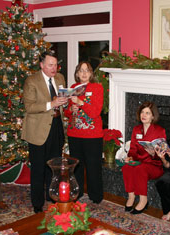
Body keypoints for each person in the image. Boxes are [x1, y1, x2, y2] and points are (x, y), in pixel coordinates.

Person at [21, 51, 68, 213]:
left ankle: (51, 197)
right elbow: (29, 107)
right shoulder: (31, 81)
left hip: (56, 127)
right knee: (39, 169)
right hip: (37, 131)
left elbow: (62, 101)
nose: (54, 68)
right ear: (41, 65)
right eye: (50, 65)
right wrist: (52, 103)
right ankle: (37, 204)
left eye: (55, 64)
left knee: (53, 167)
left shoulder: (60, 78)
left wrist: (66, 101)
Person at [64, 61, 104, 204]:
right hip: (75, 134)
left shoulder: (97, 88)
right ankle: (77, 192)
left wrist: (81, 103)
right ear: (77, 73)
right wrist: (71, 110)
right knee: (76, 167)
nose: (84, 73)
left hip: (92, 135)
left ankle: (96, 196)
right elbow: (67, 112)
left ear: (91, 73)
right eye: (81, 71)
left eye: (87, 70)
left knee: (94, 167)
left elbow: (95, 112)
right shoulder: (73, 88)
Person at [122, 101, 166, 214]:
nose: (144, 115)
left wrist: (154, 153)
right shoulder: (137, 129)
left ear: (153, 116)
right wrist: (130, 158)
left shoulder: (160, 131)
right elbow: (132, 149)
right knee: (126, 167)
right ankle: (131, 197)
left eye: (147, 113)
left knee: (140, 168)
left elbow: (163, 153)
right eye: (142, 112)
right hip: (139, 162)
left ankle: (143, 200)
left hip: (154, 165)